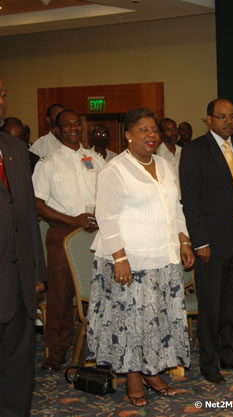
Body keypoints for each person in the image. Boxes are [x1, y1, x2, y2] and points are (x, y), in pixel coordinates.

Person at [87, 108, 194, 407]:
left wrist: (184, 239)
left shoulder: (163, 164)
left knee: (157, 320)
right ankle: (134, 377)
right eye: (144, 130)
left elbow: (175, 206)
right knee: (132, 322)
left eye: (154, 130)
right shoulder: (116, 169)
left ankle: (153, 372)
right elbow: (105, 217)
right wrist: (120, 258)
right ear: (129, 135)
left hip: (164, 257)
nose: (151, 135)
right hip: (131, 261)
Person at [180, 98, 233, 384]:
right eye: (222, 117)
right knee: (211, 306)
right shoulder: (194, 150)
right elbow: (190, 199)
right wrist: (199, 241)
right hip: (210, 244)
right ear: (209, 120)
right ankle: (209, 363)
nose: (228, 121)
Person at [33, 109, 106, 371]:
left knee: (99, 290)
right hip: (63, 234)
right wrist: (71, 219)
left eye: (77, 124)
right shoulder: (48, 162)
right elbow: (37, 203)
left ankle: (100, 344)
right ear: (57, 130)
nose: (74, 128)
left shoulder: (96, 160)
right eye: (68, 125)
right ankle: (56, 352)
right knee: (61, 295)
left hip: (96, 234)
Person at [0, 76, 47, 417]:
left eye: (2, 94)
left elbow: (29, 216)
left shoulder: (15, 149)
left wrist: (36, 272)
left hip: (18, 282)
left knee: (18, 366)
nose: (2, 102)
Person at [156, 118, 182, 184]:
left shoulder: (183, 152)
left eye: (174, 128)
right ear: (161, 134)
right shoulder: (157, 154)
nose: (173, 133)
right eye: (168, 130)